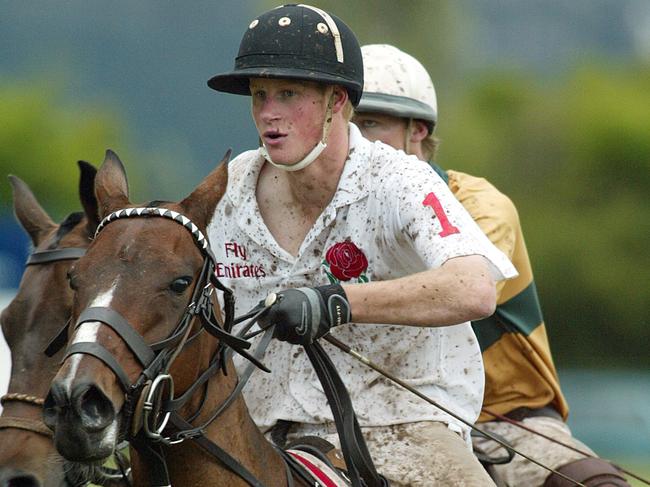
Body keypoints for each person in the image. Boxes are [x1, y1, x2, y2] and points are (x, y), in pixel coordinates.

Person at [206, 5, 518, 486]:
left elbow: (473, 288)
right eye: (259, 95)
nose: (269, 112)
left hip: (401, 427)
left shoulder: (400, 180)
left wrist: (336, 301)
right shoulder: (229, 188)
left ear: (337, 102)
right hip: (254, 434)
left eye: (289, 94)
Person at [351, 43, 631, 487]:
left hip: (504, 417)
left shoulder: (477, 204)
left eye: (370, 123)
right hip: (377, 416)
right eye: (344, 125)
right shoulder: (329, 214)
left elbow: (456, 295)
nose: (355, 139)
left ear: (418, 130)